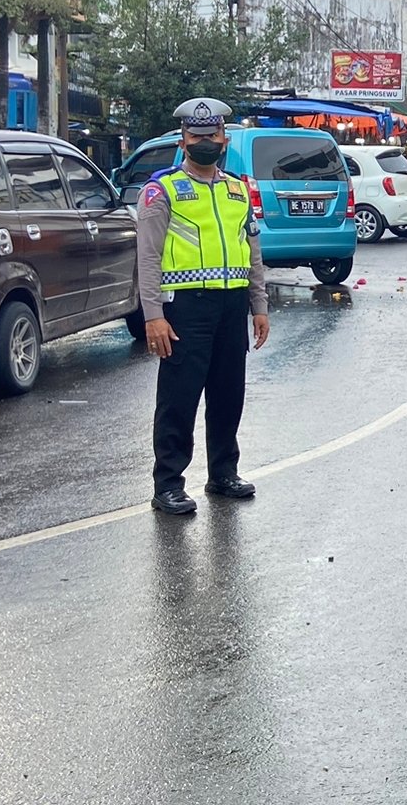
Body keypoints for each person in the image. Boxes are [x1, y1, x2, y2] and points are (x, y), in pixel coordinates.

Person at [137, 98, 270, 516]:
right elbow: (147, 258)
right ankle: (168, 484)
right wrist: (153, 316)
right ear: (183, 141)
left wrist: (259, 305)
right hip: (185, 308)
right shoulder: (162, 191)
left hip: (231, 305)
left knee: (229, 394)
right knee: (179, 398)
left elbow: (252, 252)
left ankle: (223, 473)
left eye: (212, 135)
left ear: (224, 139)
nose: (205, 142)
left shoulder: (237, 190)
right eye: (196, 136)